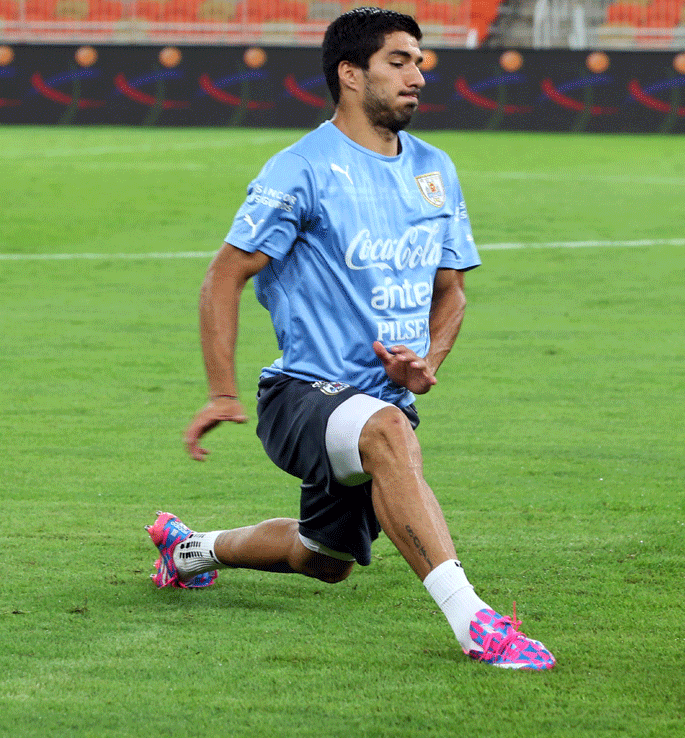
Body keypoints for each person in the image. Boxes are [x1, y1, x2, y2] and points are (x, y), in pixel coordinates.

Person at [145, 6, 555, 671]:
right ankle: (478, 624)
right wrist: (221, 391)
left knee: (323, 559)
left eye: (420, 61)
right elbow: (224, 274)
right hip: (300, 394)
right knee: (390, 431)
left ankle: (190, 550)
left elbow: (451, 292)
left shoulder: (435, 170)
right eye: (399, 61)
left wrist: (427, 362)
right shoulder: (300, 168)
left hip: (376, 402)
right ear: (350, 74)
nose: (418, 75)